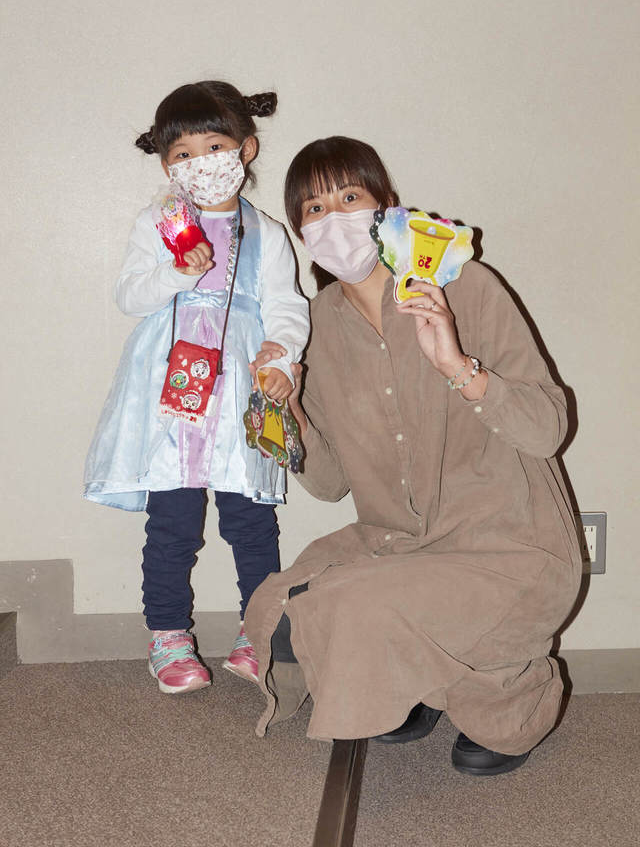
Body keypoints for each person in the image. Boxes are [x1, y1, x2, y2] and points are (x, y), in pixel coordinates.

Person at [245, 135, 582, 776]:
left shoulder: (466, 287)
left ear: (387, 206)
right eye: (314, 209)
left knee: (352, 606)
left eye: (350, 197)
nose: (333, 218)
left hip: (507, 543)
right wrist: (290, 413)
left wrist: (457, 366)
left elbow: (547, 430)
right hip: (399, 544)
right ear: (300, 232)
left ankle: (512, 700)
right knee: (283, 603)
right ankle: (418, 682)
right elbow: (329, 483)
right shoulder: (312, 327)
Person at [84, 81, 309, 694]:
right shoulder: (159, 222)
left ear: (245, 149)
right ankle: (168, 637)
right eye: (182, 153)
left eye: (213, 146)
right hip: (172, 390)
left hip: (238, 385)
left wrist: (283, 356)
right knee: (173, 521)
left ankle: (257, 631)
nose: (200, 163)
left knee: (252, 521)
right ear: (166, 164)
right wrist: (174, 274)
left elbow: (287, 306)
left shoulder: (264, 232)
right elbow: (130, 295)